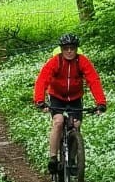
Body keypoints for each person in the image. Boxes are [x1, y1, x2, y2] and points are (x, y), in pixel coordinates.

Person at [32, 33, 107, 173]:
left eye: (72, 48)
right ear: (61, 49)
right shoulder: (55, 62)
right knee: (58, 122)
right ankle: (53, 158)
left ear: (76, 49)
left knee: (76, 125)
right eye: (66, 48)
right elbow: (42, 80)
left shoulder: (82, 61)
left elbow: (93, 80)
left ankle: (72, 159)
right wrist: (40, 101)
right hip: (57, 96)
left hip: (75, 98)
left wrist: (101, 103)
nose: (69, 51)